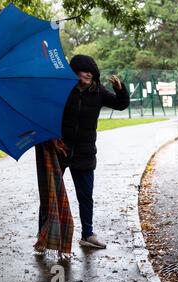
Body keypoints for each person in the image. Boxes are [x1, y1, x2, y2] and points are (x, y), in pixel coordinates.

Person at [53, 54, 129, 249]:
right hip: (60, 150)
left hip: (85, 152)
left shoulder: (98, 92)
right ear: (74, 72)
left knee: (85, 196)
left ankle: (87, 235)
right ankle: (45, 236)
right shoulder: (62, 90)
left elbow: (121, 105)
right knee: (51, 195)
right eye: (83, 70)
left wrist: (120, 91)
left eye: (91, 71)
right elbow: (48, 113)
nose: (88, 74)